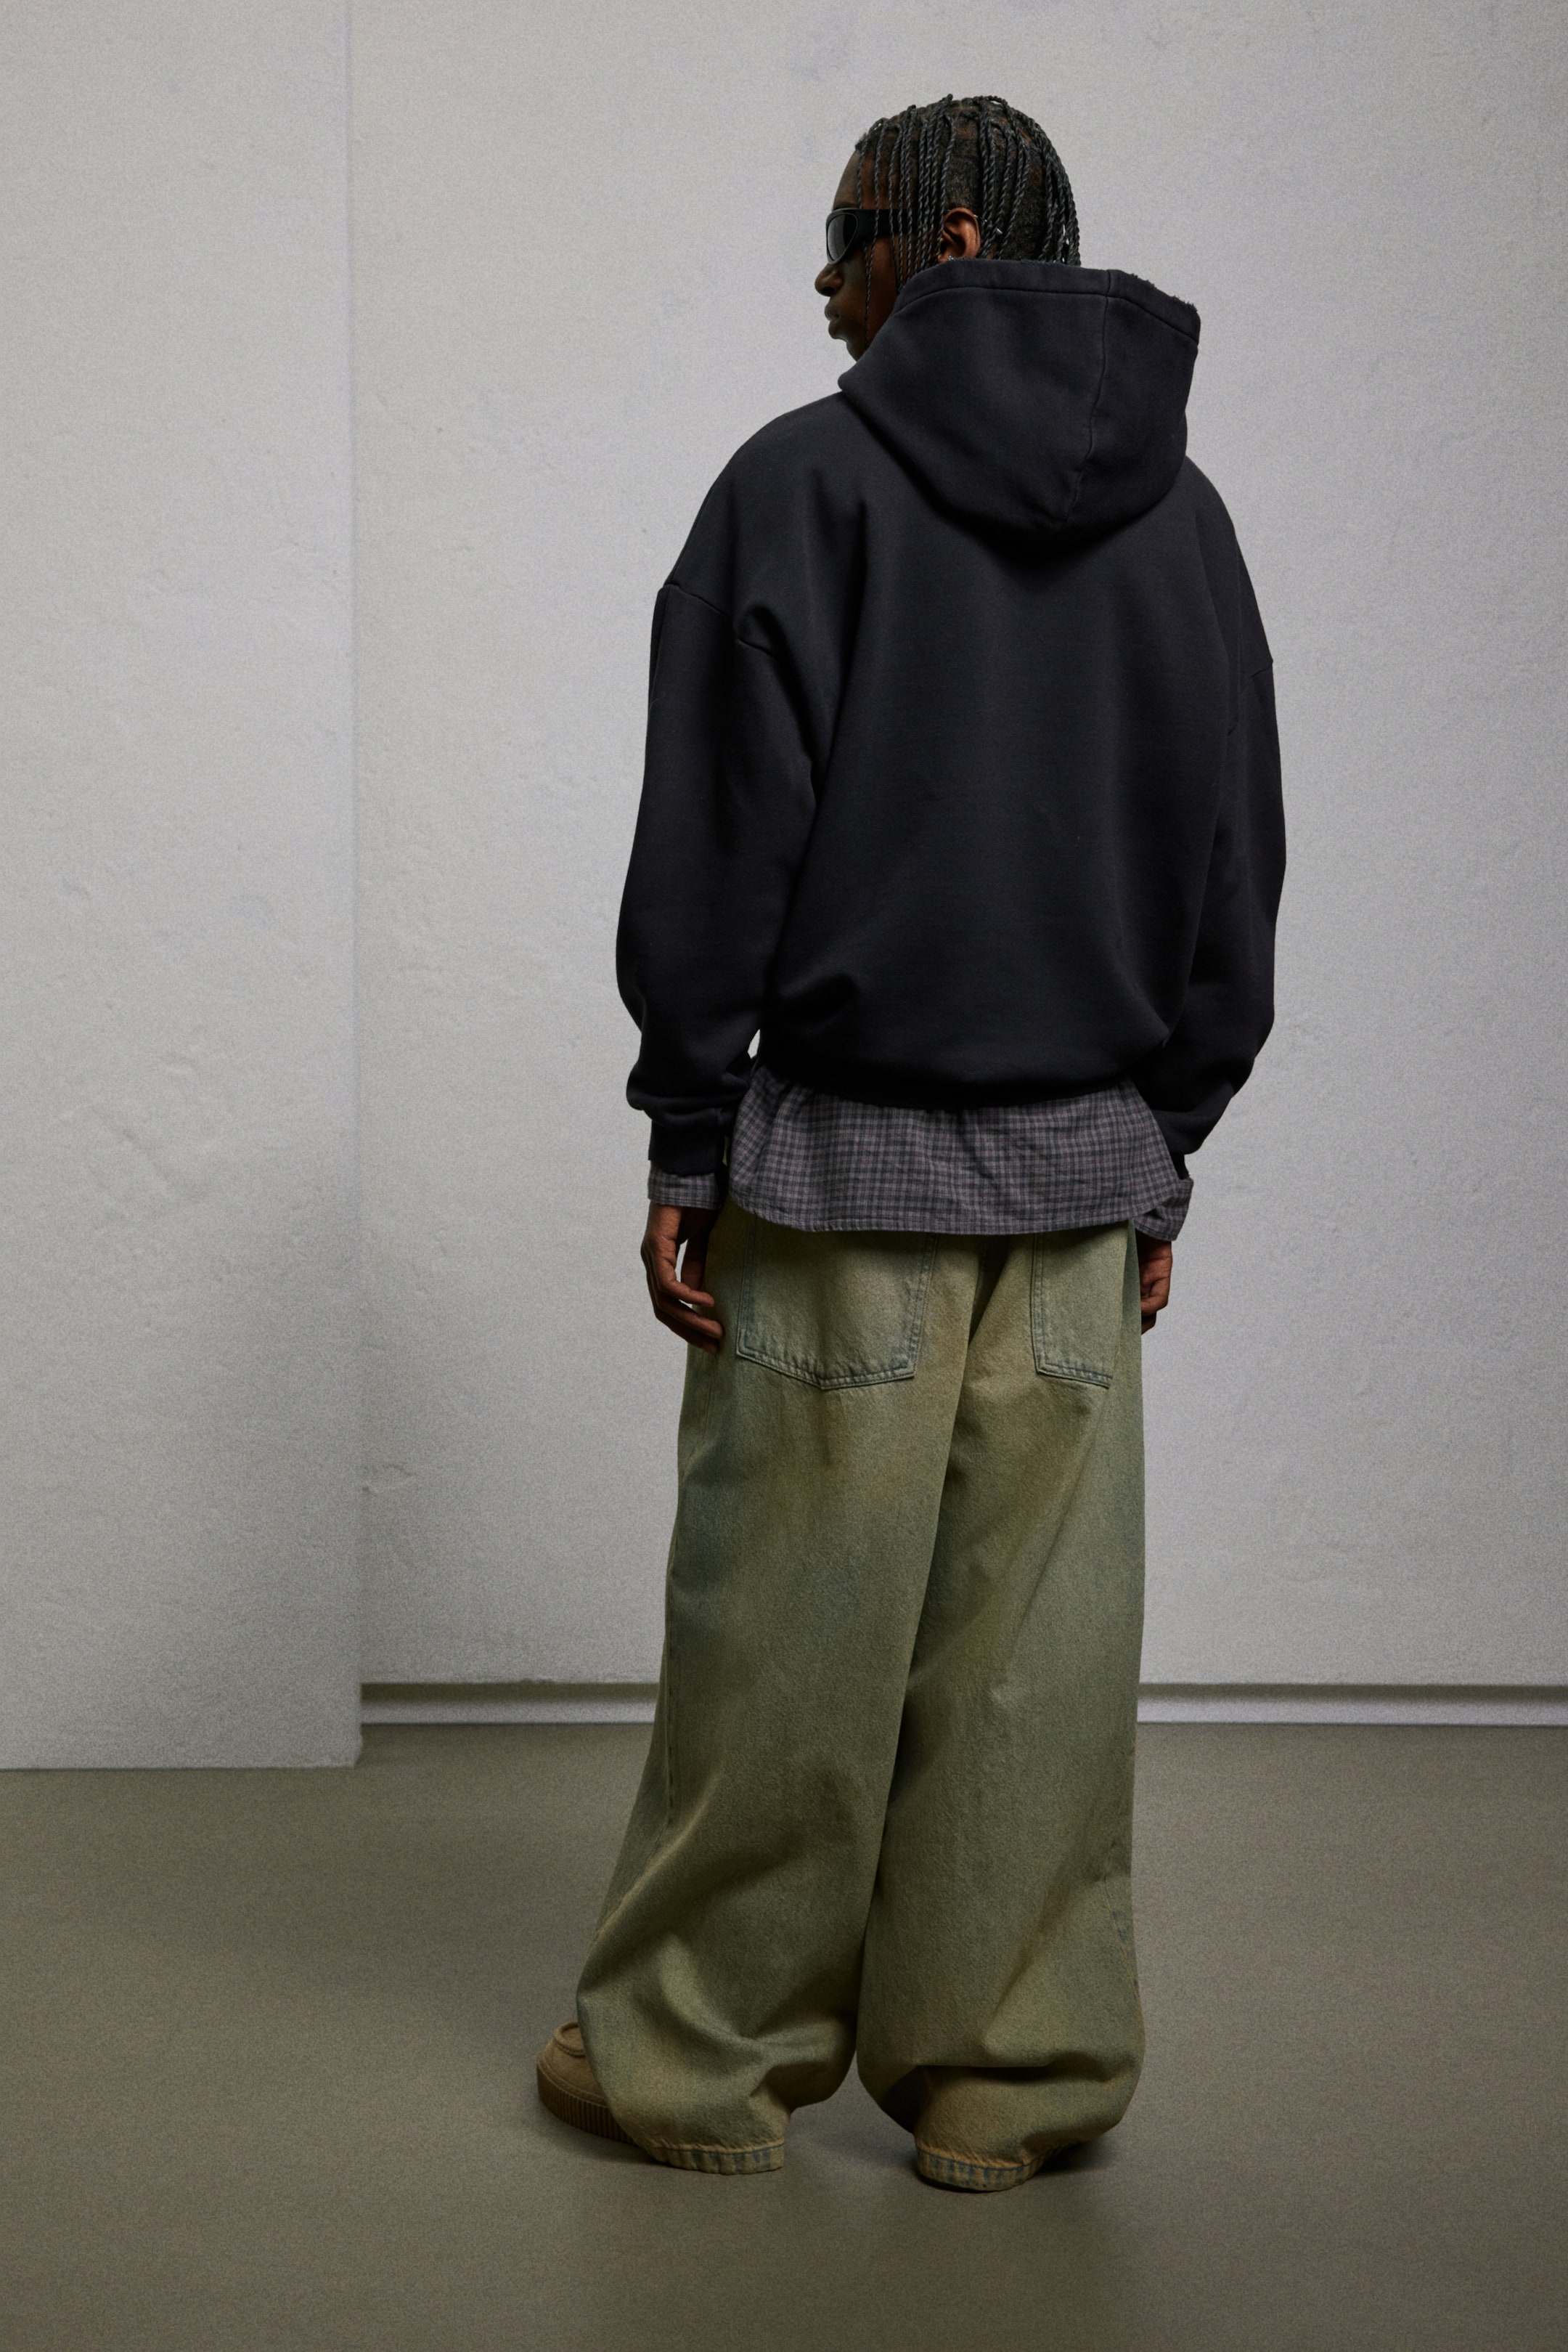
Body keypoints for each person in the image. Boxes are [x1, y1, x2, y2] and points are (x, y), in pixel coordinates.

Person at [537, 92, 1283, 2192]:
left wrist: (690, 1132)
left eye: (850, 229)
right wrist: (1164, 1142)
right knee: (1037, 1668)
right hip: (1081, 1199)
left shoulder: (800, 486)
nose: (823, 275)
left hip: (840, 1182)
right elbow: (1235, 863)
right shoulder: (1188, 519)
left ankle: (697, 2061)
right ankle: (1004, 2081)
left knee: (786, 1642)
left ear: (946, 245)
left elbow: (719, 846)